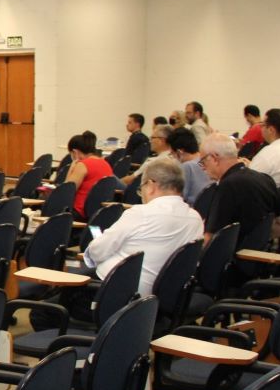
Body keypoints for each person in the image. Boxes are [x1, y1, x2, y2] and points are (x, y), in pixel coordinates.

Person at [83, 158, 204, 297]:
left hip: (115, 294)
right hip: (162, 297)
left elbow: (97, 251)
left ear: (151, 184)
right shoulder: (195, 219)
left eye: (142, 188)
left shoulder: (141, 213)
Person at [200, 133, 280, 246]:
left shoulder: (227, 187)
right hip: (256, 257)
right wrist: (259, 239)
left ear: (214, 158)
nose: (203, 168)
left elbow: (210, 239)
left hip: (231, 258)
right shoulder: (264, 179)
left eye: (203, 162)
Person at [62, 131, 113, 220]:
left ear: (75, 152)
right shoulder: (106, 164)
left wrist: (72, 167)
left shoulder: (82, 165)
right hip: (97, 214)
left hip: (78, 212)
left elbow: (66, 191)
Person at [168, 127, 210, 206]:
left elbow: (179, 197)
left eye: (172, 154)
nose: (172, 157)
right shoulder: (207, 162)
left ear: (180, 152)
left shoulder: (186, 167)